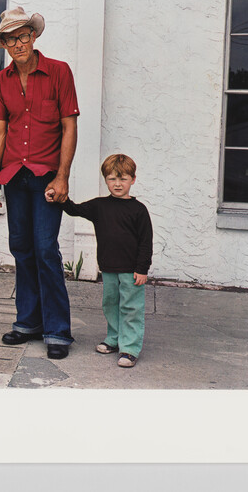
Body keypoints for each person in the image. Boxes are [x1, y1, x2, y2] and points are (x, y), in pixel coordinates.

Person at [0, 6, 80, 360]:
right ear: (4, 44)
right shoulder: (2, 80)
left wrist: (63, 176)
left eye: (23, 36)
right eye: (10, 39)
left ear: (34, 36)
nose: (18, 44)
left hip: (47, 178)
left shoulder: (59, 72)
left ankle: (57, 330)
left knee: (45, 249)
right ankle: (28, 322)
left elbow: (69, 126)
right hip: (14, 176)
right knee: (21, 248)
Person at [58, 154, 153, 368]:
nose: (117, 184)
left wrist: (142, 269)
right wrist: (60, 197)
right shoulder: (99, 206)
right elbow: (74, 209)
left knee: (131, 308)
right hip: (109, 267)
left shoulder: (139, 210)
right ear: (106, 180)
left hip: (132, 270)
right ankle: (114, 338)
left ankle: (130, 348)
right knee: (110, 304)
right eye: (112, 179)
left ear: (133, 180)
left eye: (123, 179)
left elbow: (146, 242)